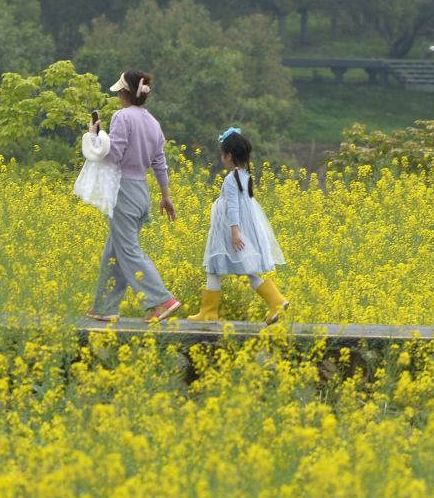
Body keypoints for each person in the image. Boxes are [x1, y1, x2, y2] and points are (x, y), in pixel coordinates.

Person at [85, 68, 179, 323]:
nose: (118, 97)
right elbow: (160, 162)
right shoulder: (153, 123)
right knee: (114, 250)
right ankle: (105, 306)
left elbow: (113, 154)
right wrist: (166, 196)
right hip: (142, 192)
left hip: (123, 189)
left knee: (127, 250)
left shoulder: (122, 117)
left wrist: (95, 137)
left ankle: (162, 300)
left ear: (125, 93)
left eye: (120, 92)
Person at [196, 127, 288, 322]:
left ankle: (209, 312)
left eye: (222, 154)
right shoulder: (245, 175)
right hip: (239, 228)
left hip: (229, 230)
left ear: (228, 156)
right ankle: (275, 300)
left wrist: (235, 232)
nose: (222, 158)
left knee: (218, 266)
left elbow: (233, 207)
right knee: (239, 269)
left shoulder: (231, 179)